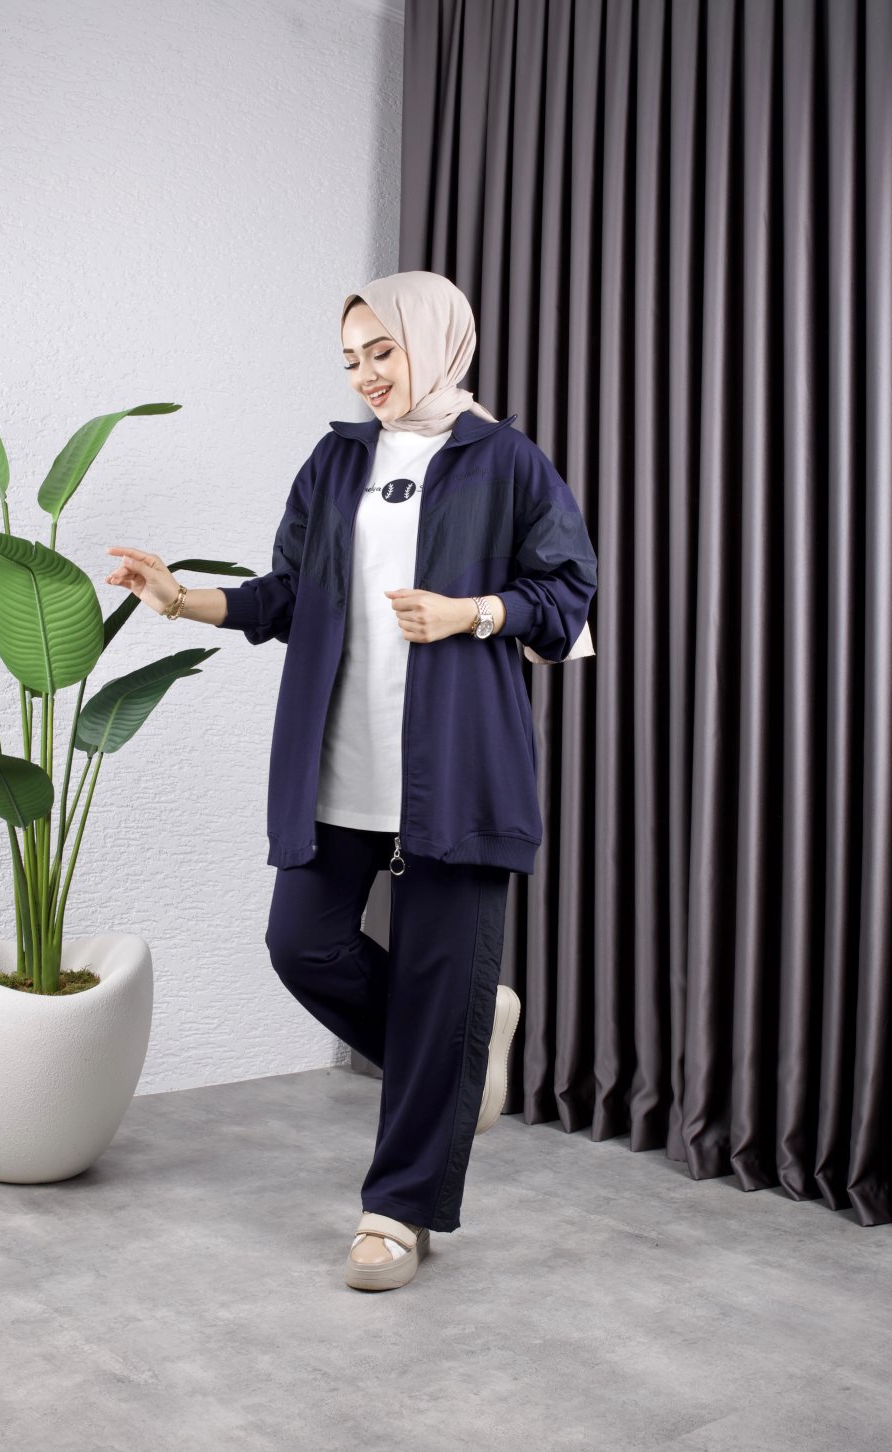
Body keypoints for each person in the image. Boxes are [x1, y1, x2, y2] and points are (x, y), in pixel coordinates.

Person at [104, 269, 598, 1293]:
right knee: (302, 945)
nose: (367, 373)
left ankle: (396, 1214)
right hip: (338, 760)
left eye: (383, 350)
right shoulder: (336, 461)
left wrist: (472, 613)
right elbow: (287, 595)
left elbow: (565, 597)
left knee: (437, 983)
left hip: (456, 770)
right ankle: (469, 1044)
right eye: (351, 359)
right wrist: (181, 599)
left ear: (437, 342)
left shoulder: (506, 461)